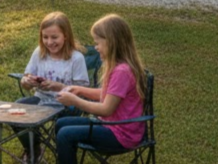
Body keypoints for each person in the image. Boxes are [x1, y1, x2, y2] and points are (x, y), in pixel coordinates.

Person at [54, 14, 149, 164]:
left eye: (98, 43)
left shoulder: (122, 71)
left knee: (65, 135)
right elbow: (109, 94)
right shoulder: (119, 66)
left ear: (112, 42)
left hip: (121, 134)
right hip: (112, 126)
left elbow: (106, 109)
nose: (96, 47)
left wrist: (75, 101)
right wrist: (79, 90)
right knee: (61, 123)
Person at [14, 11, 89, 161]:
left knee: (62, 125)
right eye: (45, 37)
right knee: (16, 110)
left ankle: (63, 152)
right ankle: (33, 148)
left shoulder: (76, 58)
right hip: (41, 99)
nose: (49, 42)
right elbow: (26, 78)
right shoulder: (39, 52)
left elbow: (83, 92)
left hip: (67, 105)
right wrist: (27, 81)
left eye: (54, 37)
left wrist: (58, 86)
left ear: (65, 35)